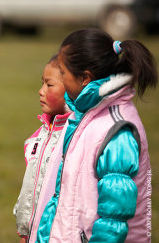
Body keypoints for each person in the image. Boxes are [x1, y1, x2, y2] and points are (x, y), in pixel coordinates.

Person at [31, 28, 157, 242]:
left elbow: (114, 220)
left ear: (85, 78)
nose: (60, 78)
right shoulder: (84, 116)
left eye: (63, 72)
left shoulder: (116, 130)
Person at [13, 55, 71, 242]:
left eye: (49, 85)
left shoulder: (75, 137)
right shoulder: (37, 138)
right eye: (42, 84)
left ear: (72, 87)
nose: (40, 91)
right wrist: (24, 231)